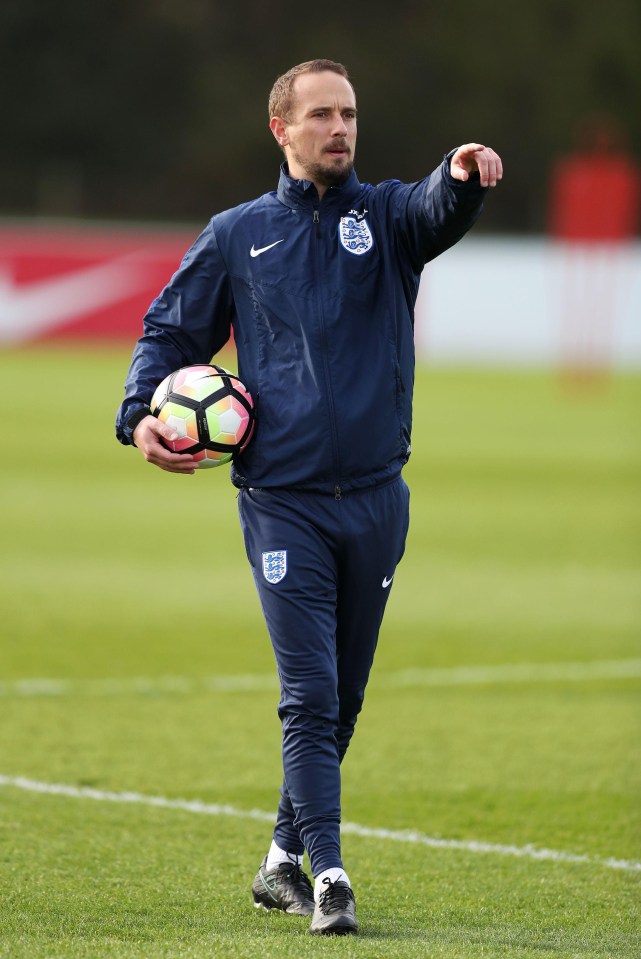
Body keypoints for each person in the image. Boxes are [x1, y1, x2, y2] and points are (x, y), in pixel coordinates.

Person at [116, 58, 502, 936]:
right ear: (281, 129)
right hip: (282, 500)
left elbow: (438, 207)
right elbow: (170, 329)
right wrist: (138, 411)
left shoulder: (388, 218)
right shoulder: (238, 233)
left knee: (346, 697)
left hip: (375, 498)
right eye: (322, 115)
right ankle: (330, 874)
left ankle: (281, 861)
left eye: (351, 114)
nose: (341, 129)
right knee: (310, 695)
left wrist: (459, 174)